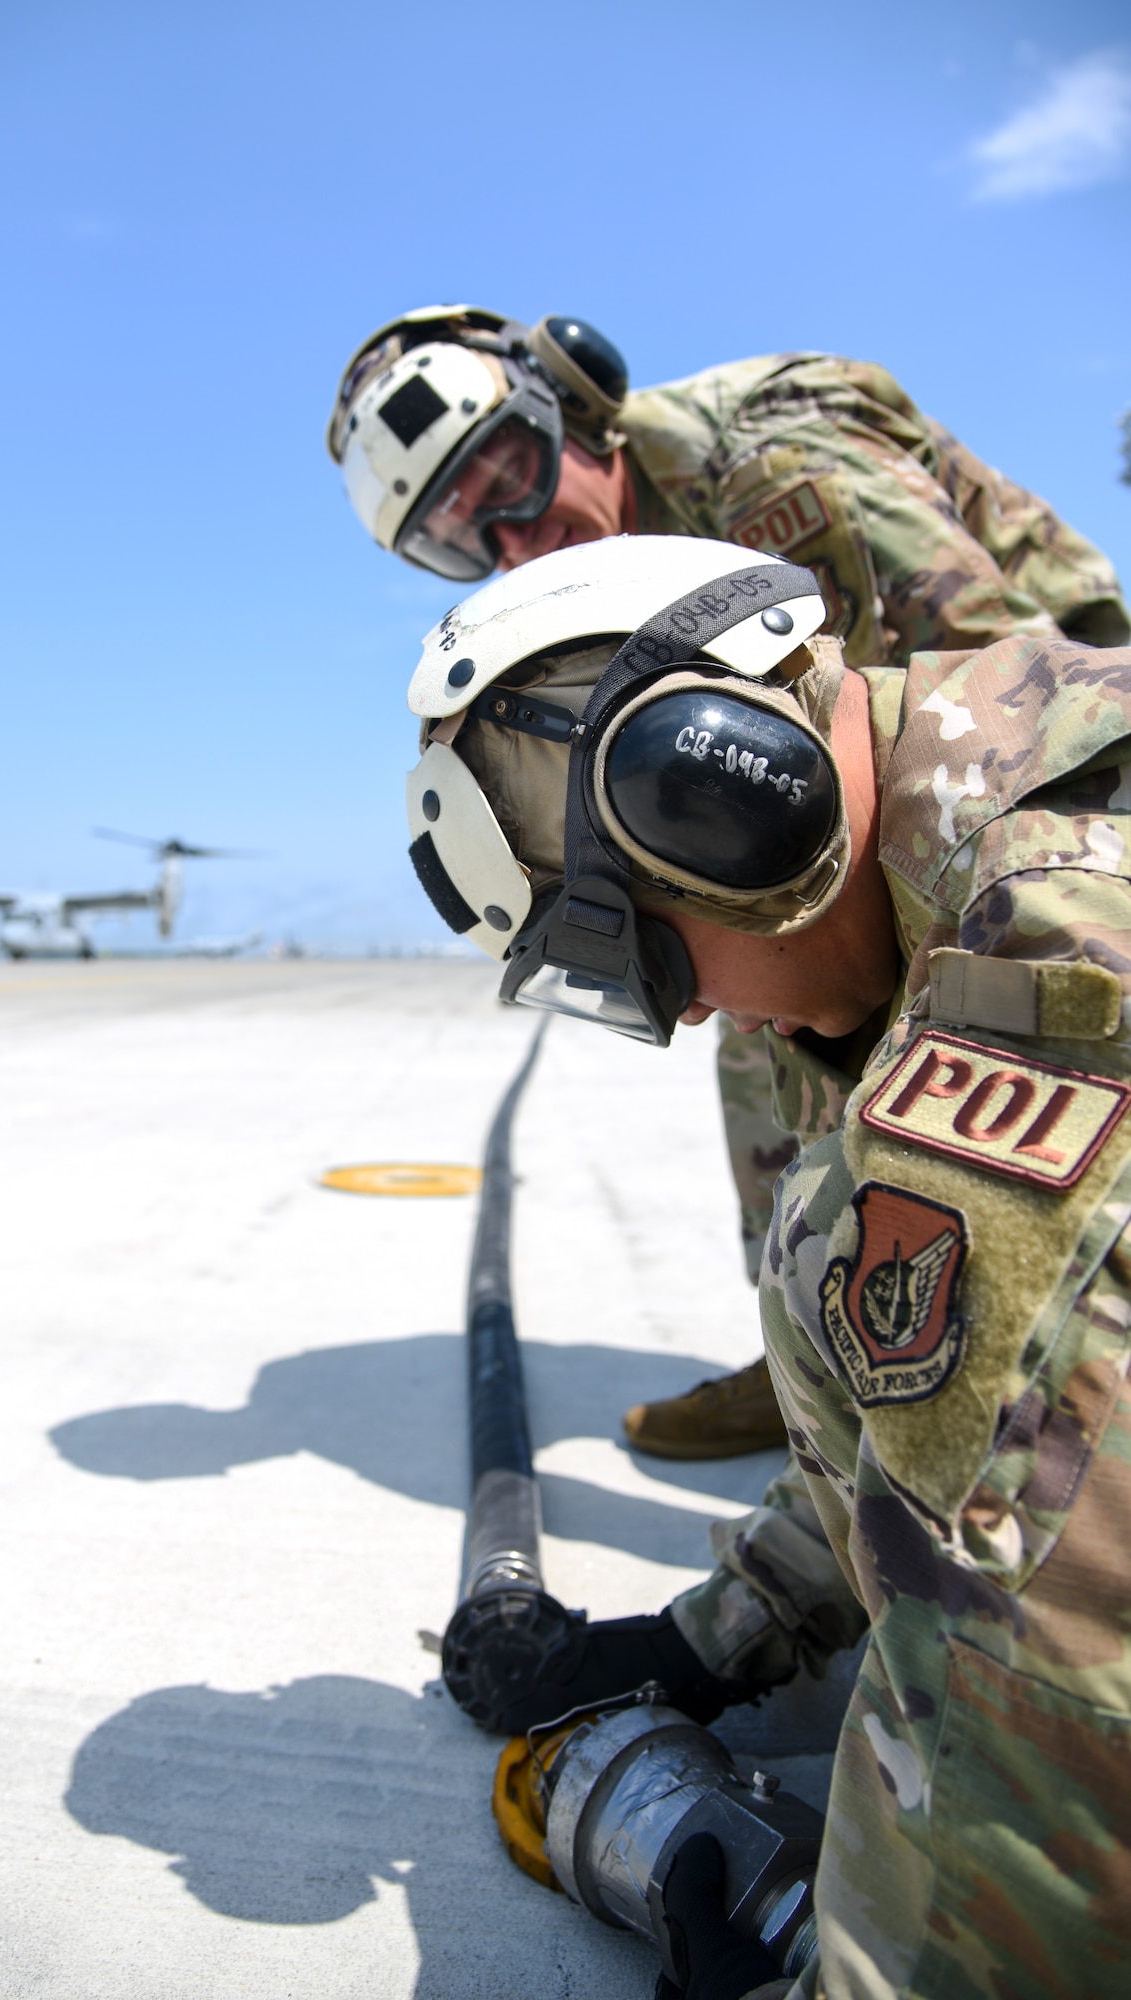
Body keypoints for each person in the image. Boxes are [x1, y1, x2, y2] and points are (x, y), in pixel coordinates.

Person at [397, 532, 1131, 1997]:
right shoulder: (1021, 741)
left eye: (636, 961)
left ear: (720, 796)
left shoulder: (1050, 944)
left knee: (850, 1229)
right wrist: (711, 1645)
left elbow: (1062, 1654)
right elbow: (987, 1423)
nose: (677, 1021)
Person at [329, 304, 1131, 1460]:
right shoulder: (597, 583)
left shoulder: (768, 467)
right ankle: (830, 1324)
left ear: (573, 397)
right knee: (734, 980)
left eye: (506, 470)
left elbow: (1000, 676)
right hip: (864, 773)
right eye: (464, 539)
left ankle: (967, 1307)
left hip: (1047, 775)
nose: (515, 534)